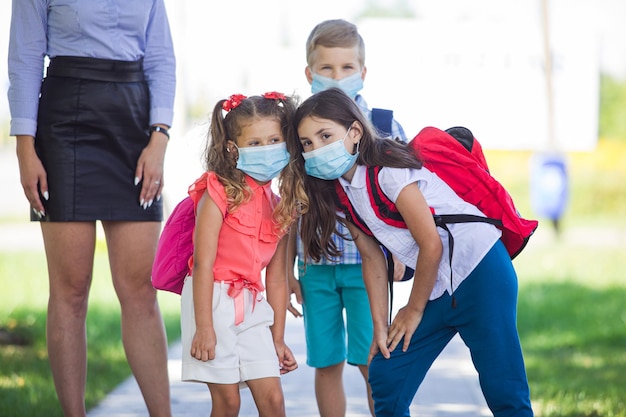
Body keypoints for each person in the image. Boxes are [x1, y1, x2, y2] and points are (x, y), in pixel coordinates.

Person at [288, 88, 534, 417]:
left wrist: (413, 309)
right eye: (307, 143)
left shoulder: (387, 170)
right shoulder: (341, 193)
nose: (316, 148)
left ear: (355, 132)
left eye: (325, 135)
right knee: (386, 375)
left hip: (480, 274)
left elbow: (430, 243)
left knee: (504, 390)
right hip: (439, 287)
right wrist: (380, 326)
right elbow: (372, 258)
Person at [7, 1, 176, 416]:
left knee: (140, 289)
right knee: (70, 290)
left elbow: (160, 57)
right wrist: (25, 148)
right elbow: (25, 59)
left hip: (135, 123)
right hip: (65, 121)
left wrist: (159, 139)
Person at [287, 18, 407, 417]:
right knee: (326, 363)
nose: (337, 77)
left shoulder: (385, 127)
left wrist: (402, 256)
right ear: (309, 73)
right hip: (316, 268)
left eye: (347, 68)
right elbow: (290, 205)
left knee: (373, 359)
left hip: (366, 271)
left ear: (363, 72)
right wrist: (288, 268)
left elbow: (403, 200)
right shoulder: (297, 130)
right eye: (326, 68)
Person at [181, 92, 303, 416]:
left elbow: (276, 280)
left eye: (274, 140)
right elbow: (203, 264)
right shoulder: (217, 192)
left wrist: (277, 339)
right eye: (255, 143)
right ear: (233, 149)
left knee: (273, 400)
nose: (267, 150)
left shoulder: (281, 207)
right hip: (212, 301)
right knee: (228, 402)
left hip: (252, 305)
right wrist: (204, 327)